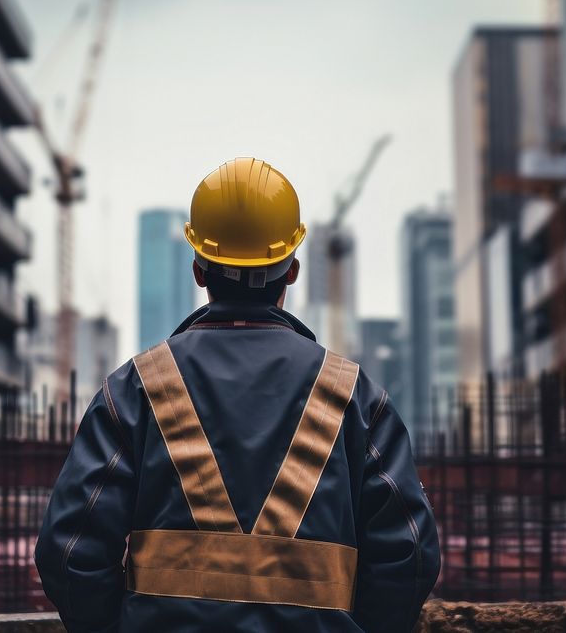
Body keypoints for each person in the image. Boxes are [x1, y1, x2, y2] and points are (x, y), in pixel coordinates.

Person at [35, 158, 440, 632]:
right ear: (292, 270)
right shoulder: (353, 395)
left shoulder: (135, 389)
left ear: (198, 270)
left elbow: (69, 553)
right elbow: (408, 556)